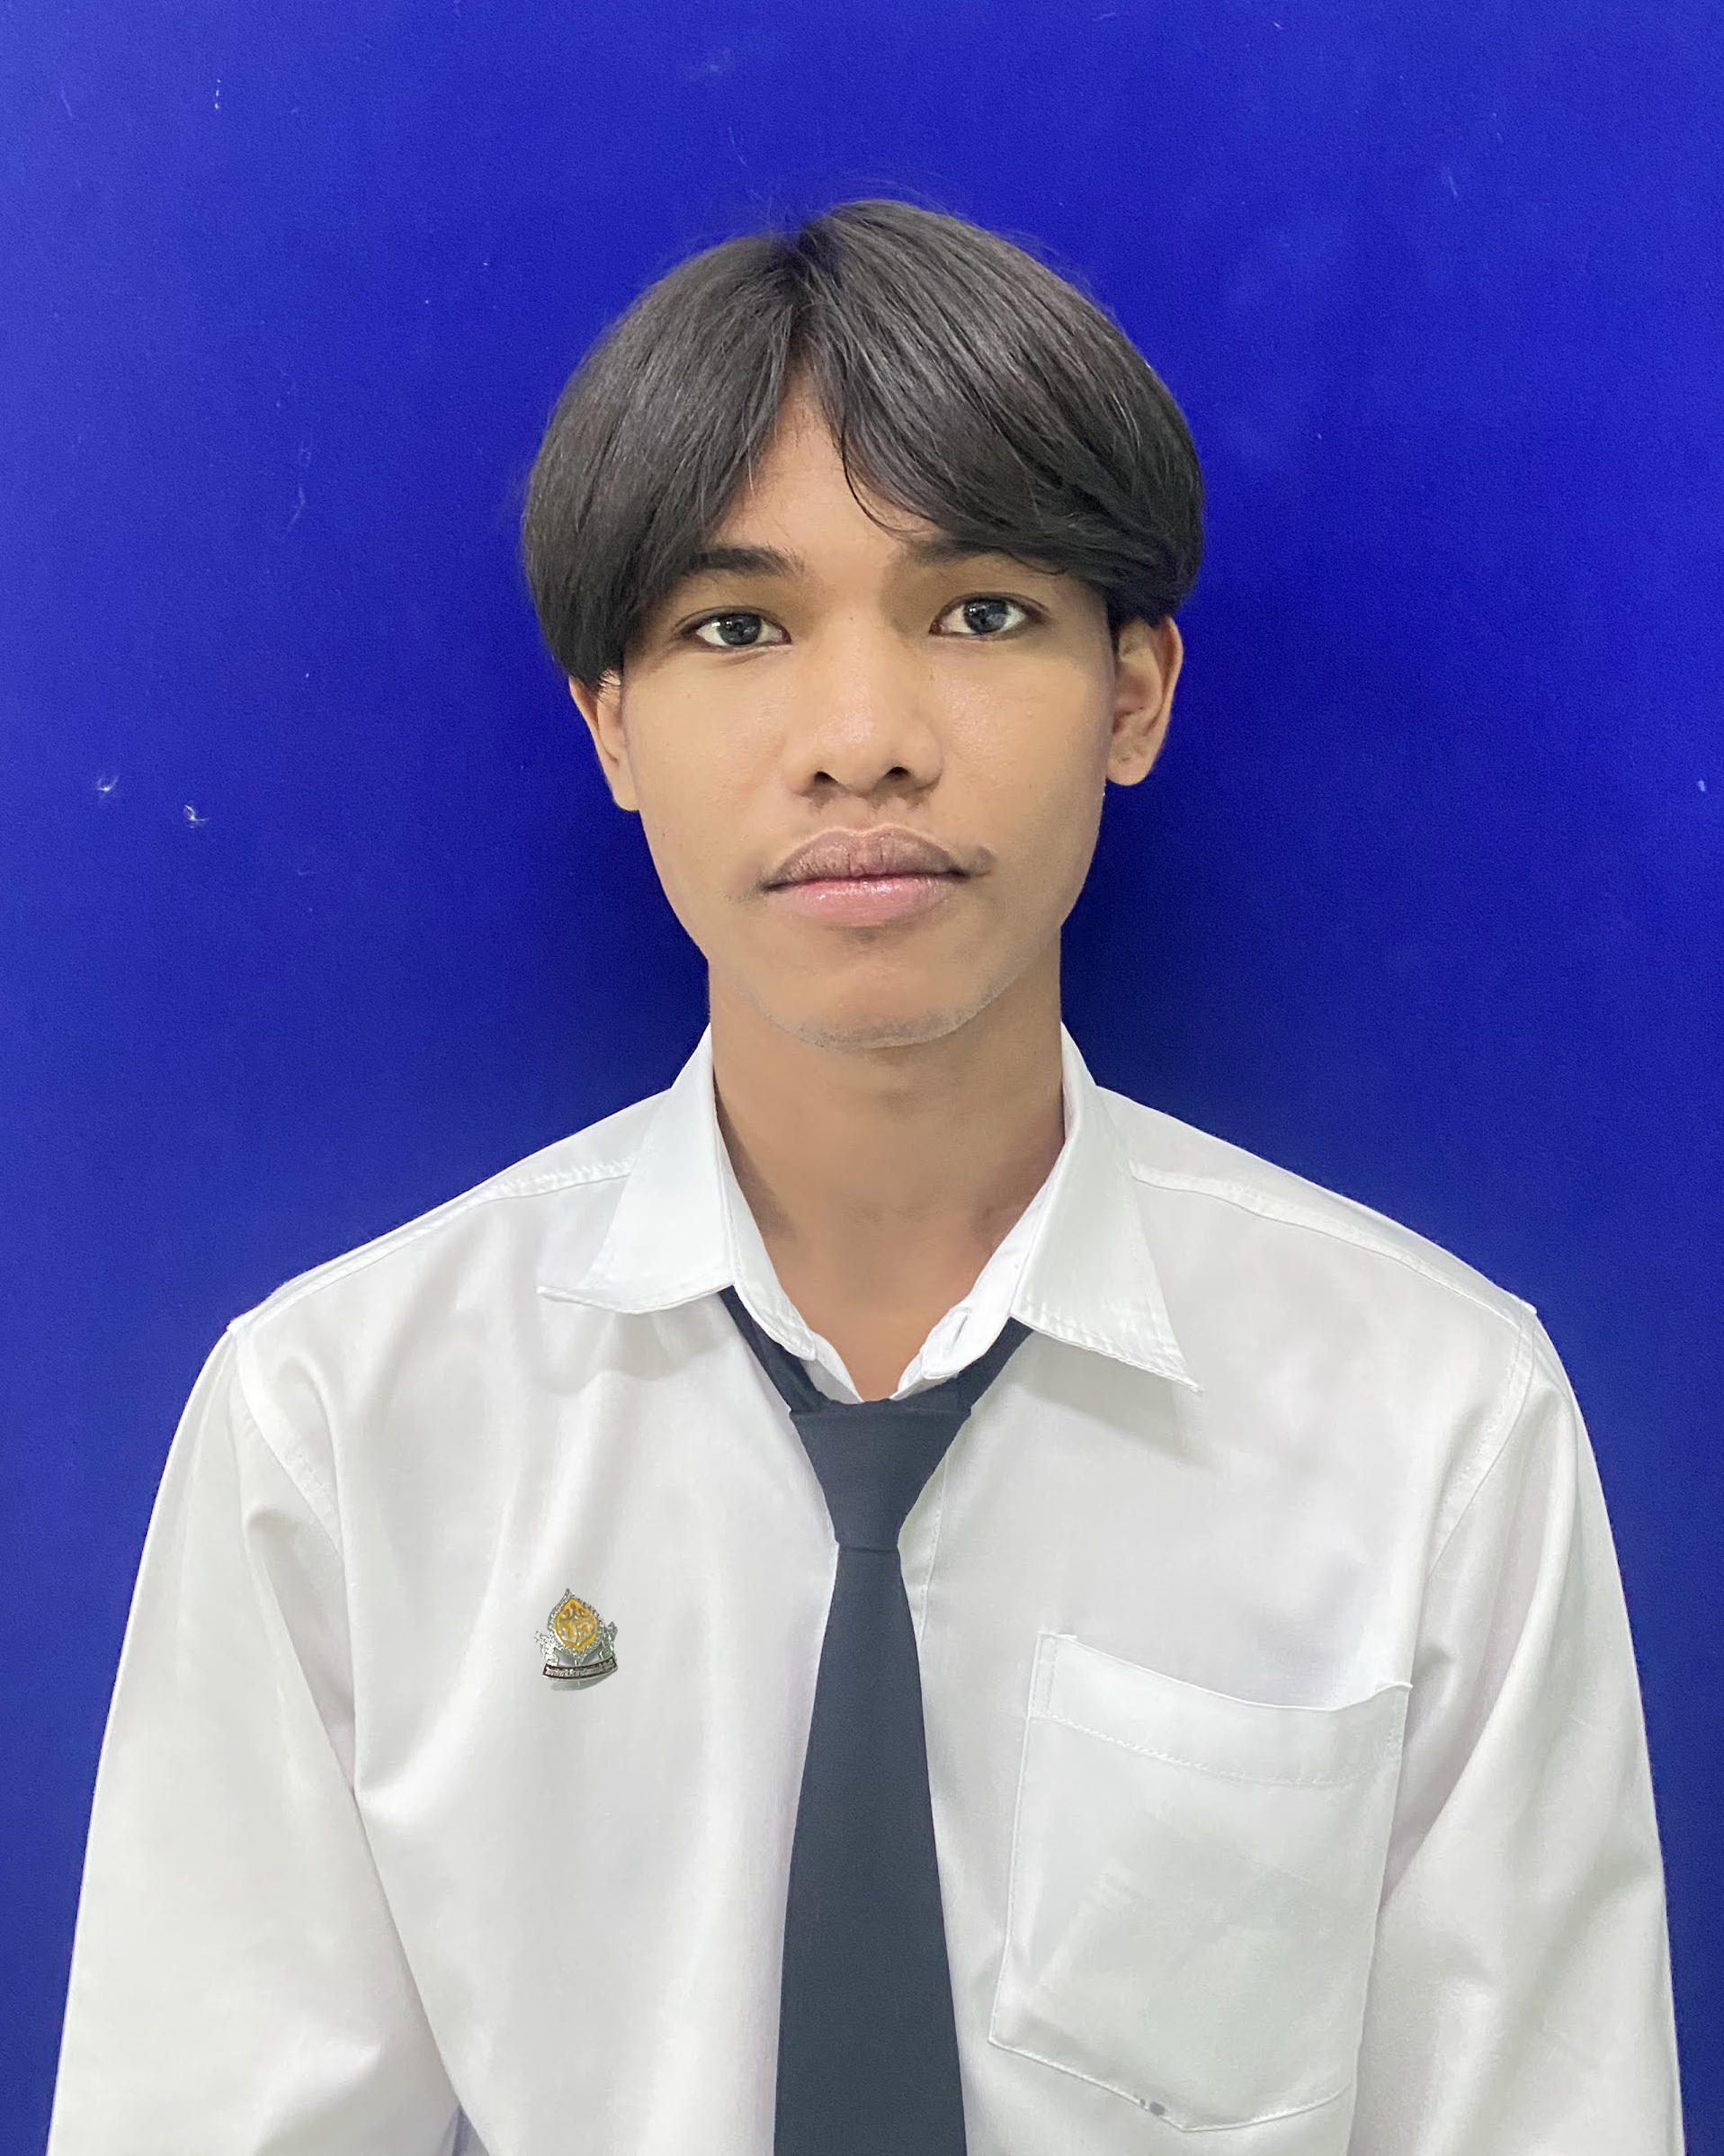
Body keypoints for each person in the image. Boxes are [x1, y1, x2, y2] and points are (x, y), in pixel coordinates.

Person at [49, 198, 1682, 2156]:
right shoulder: (340, 1427)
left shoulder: (1432, 1421)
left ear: (1133, 692)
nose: (860, 742)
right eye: (736, 627)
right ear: (611, 725)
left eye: (977, 611)